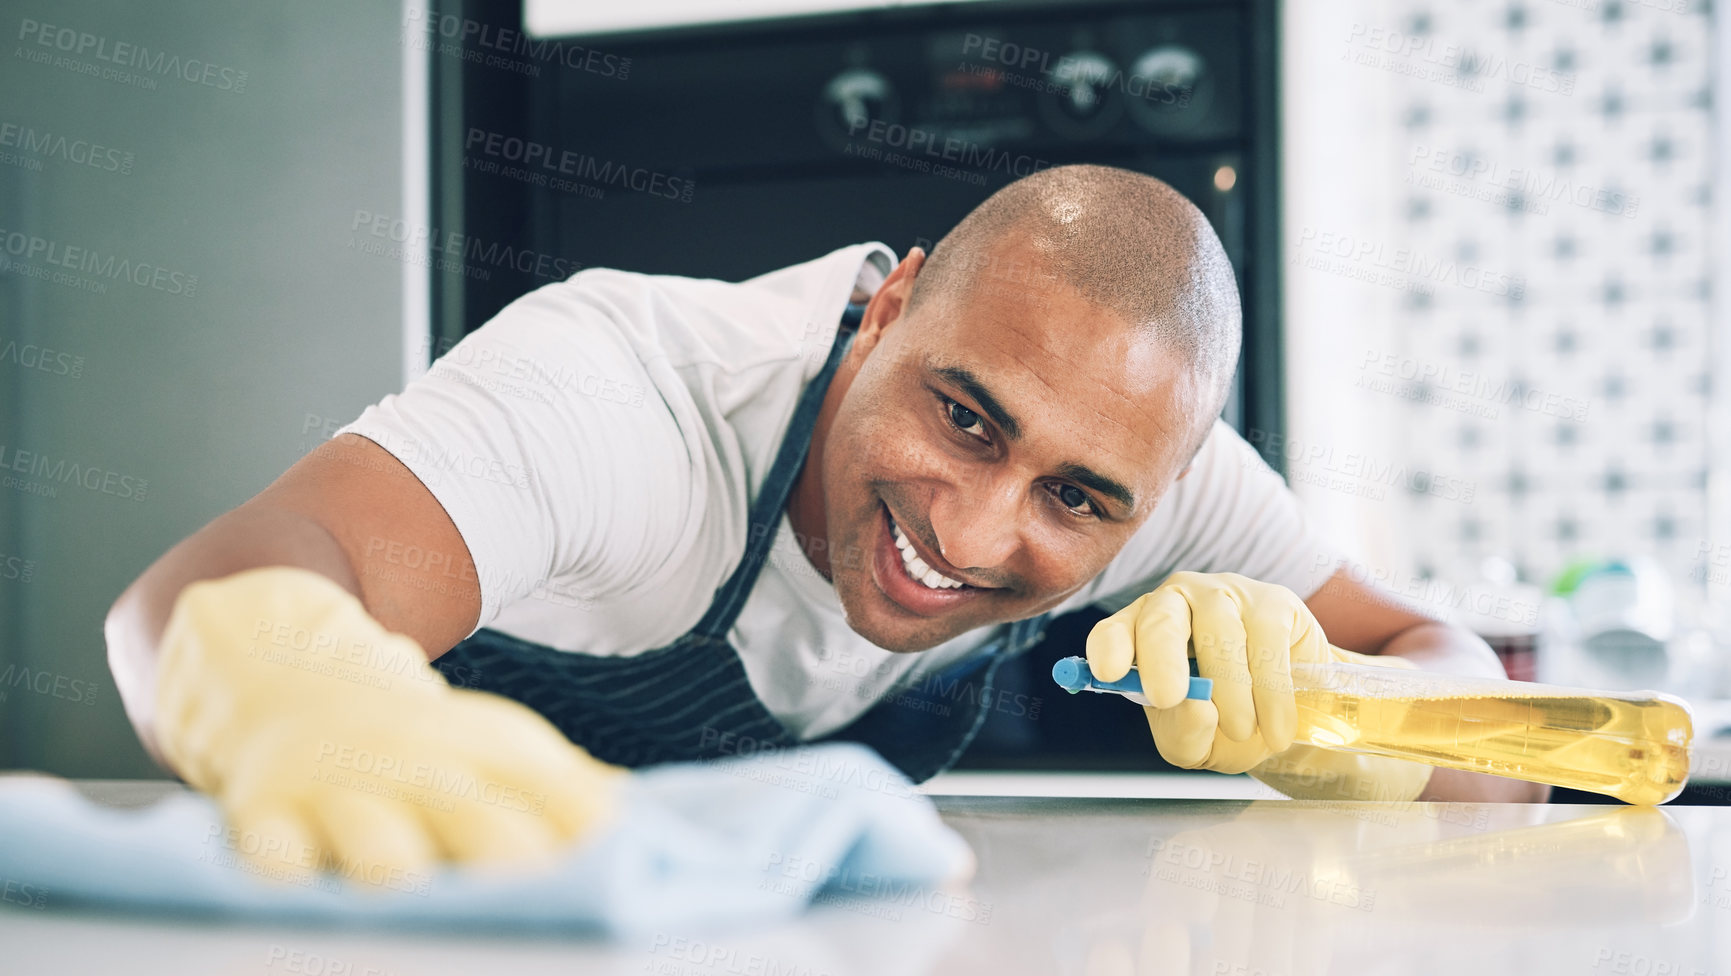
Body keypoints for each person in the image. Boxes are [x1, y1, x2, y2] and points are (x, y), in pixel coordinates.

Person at [105, 164, 1543, 879]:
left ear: (1162, 498)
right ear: (890, 302)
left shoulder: (1161, 475)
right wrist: (284, 682)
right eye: (963, 416)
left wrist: (1355, 714)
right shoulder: (631, 393)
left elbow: (1503, 750)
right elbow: (226, 578)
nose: (975, 533)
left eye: (1075, 500)